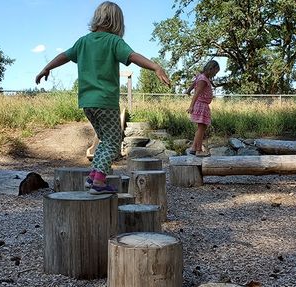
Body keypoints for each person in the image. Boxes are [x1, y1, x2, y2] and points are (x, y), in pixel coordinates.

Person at [35, 1, 170, 194]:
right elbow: (133, 56)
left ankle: (93, 178)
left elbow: (64, 56)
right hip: (105, 101)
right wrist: (155, 66)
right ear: (117, 23)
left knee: (104, 139)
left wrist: (47, 67)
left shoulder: (83, 41)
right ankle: (98, 182)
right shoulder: (113, 42)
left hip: (87, 103)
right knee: (113, 142)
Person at [186, 60, 220, 157]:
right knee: (201, 128)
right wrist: (191, 106)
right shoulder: (203, 79)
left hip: (203, 105)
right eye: (215, 72)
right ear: (211, 69)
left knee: (202, 128)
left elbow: (193, 84)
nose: (215, 74)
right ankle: (199, 149)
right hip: (201, 105)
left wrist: (188, 90)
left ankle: (193, 148)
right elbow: (197, 93)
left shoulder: (201, 77)